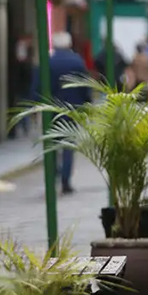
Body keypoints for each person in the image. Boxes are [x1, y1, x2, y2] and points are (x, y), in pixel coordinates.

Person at [33, 32, 90, 194]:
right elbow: (85, 85)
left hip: (50, 109)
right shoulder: (77, 62)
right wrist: (86, 104)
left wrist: (34, 106)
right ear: (69, 44)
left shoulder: (47, 62)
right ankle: (65, 180)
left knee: (51, 145)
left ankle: (52, 176)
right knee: (68, 145)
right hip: (72, 109)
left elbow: (37, 85)